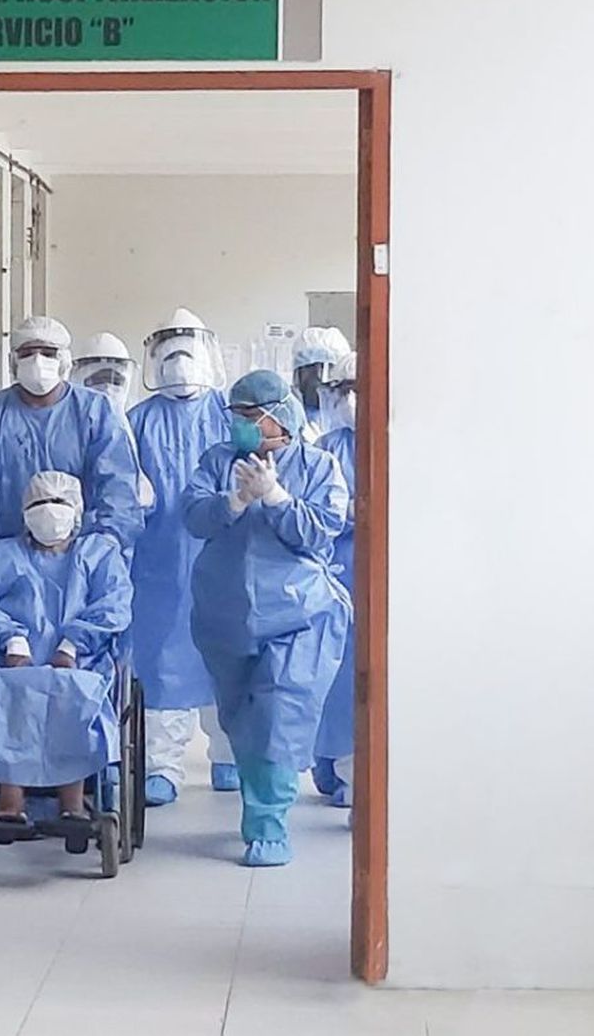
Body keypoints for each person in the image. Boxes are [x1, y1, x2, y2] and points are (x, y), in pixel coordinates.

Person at [183, 369, 350, 867]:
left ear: (282, 417)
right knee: (244, 720)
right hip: (225, 614)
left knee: (280, 713)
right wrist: (234, 501)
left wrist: (276, 499)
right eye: (237, 417)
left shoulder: (319, 467)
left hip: (300, 615)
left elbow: (321, 531)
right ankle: (259, 796)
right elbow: (193, 516)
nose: (242, 427)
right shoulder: (218, 463)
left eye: (252, 417)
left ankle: (268, 824)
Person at [0, 471, 132, 826]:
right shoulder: (0, 557)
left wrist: (73, 644)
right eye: (39, 503)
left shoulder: (98, 555)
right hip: (8, 658)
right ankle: (10, 801)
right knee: (6, 689)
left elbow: (114, 605)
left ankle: (73, 799)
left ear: (77, 511)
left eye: (60, 503)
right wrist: (10, 639)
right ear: (24, 512)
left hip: (83, 658)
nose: (50, 511)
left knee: (74, 691)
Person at [127, 309, 238, 806]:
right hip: (159, 563)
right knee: (164, 663)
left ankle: (229, 756)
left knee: (226, 657)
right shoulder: (138, 421)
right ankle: (162, 767)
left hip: (222, 560)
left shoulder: (229, 416)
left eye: (186, 355)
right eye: (168, 356)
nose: (178, 366)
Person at [0, 315, 143, 555]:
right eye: (28, 352)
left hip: (80, 555)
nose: (38, 360)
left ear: (64, 361)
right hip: (10, 554)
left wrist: (103, 546)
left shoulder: (95, 411)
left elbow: (117, 488)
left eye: (48, 352)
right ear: (13, 362)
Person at [311, 351, 358, 809]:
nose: (351, 400)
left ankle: (357, 773)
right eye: (344, 390)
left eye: (360, 389)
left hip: (384, 581)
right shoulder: (325, 449)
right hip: (333, 580)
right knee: (334, 674)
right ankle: (335, 762)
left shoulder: (404, 444)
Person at [71, 332, 155, 507]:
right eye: (97, 380)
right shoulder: (67, 427)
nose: (108, 388)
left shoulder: (136, 425)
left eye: (116, 381)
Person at [291, 325, 352, 444]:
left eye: (327, 369)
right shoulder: (291, 414)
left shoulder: (350, 414)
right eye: (309, 369)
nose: (318, 376)